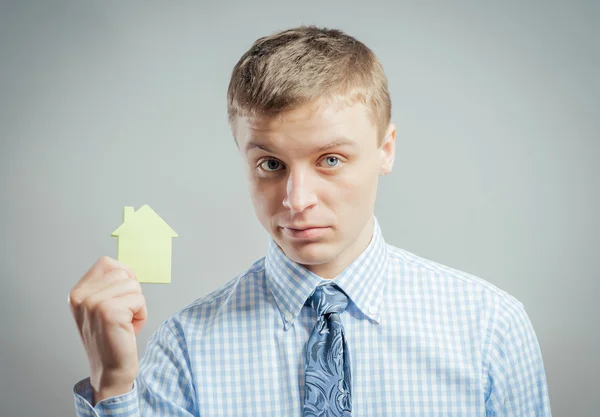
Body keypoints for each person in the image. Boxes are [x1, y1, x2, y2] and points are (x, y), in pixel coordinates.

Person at [69, 25, 552, 416]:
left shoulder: (491, 328)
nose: (297, 201)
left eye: (331, 160)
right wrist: (114, 385)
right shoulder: (186, 346)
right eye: (271, 165)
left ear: (386, 149)